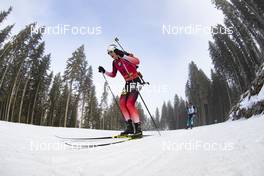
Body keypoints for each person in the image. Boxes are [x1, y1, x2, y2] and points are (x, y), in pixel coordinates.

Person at [98, 44, 143, 138]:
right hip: (127, 83)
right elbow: (113, 74)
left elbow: (137, 61)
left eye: (111, 52)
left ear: (116, 51)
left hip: (135, 80)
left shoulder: (126, 56)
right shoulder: (114, 63)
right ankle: (130, 127)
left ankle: (138, 129)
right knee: (122, 103)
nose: (110, 55)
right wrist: (104, 71)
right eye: (109, 53)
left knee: (129, 103)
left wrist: (124, 55)